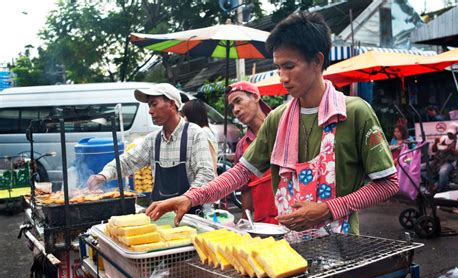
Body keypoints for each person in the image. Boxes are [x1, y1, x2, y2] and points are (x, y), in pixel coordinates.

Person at [145, 12, 398, 236]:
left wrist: (329, 209)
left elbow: (387, 182)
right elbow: (242, 172)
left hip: (342, 244)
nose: (283, 77)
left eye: (290, 66)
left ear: (318, 61)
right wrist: (190, 198)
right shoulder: (278, 119)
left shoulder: (353, 113)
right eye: (278, 67)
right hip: (287, 244)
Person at [87, 83, 215, 213]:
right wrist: (103, 176)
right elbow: (127, 161)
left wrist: (187, 198)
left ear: (171, 104)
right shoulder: (153, 140)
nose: (150, 111)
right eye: (149, 106)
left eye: (154, 104)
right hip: (161, 215)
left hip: (190, 214)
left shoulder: (194, 134)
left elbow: (206, 174)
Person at [226, 81, 278, 223]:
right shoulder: (242, 146)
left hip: (294, 219)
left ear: (255, 97)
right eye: (232, 106)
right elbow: (245, 189)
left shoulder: (282, 127)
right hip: (265, 225)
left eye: (238, 101)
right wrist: (246, 222)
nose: (235, 110)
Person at [180, 99, 218, 174]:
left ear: (192, 116)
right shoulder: (208, 130)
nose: (184, 119)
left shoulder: (202, 133)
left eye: (186, 116)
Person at [431, 122, 458, 192]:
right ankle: (436, 183)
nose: (449, 135)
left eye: (451, 133)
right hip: (438, 161)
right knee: (420, 168)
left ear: (457, 133)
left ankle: (441, 190)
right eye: (448, 133)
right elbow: (434, 150)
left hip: (450, 162)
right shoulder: (443, 138)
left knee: (442, 172)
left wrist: (451, 150)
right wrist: (435, 143)